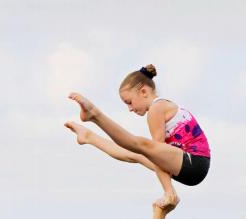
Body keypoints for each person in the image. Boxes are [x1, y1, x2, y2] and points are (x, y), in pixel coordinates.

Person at [66, 64, 210, 208]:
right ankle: (89, 137)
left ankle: (94, 114)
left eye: (129, 102)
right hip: (187, 167)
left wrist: (169, 192)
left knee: (142, 146)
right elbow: (156, 154)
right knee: (136, 153)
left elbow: (156, 153)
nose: (130, 109)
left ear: (143, 92)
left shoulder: (157, 108)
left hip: (194, 162)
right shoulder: (159, 107)